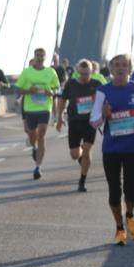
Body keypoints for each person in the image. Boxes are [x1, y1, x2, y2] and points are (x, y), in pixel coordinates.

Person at [89, 54, 134, 245]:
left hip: (133, 145)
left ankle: (130, 214)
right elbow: (94, 121)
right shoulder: (103, 91)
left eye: (124, 65)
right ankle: (119, 228)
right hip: (111, 148)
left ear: (130, 69)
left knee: (131, 188)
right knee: (114, 190)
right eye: (116, 65)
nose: (120, 68)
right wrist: (103, 115)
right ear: (110, 69)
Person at [15, 48, 61, 180]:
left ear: (45, 58)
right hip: (30, 109)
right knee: (32, 135)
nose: (40, 57)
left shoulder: (50, 72)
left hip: (45, 107)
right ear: (34, 57)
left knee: (41, 134)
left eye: (42, 55)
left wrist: (52, 92)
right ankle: (34, 147)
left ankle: (38, 167)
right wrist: (29, 90)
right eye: (37, 55)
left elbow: (57, 87)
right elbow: (18, 89)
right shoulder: (27, 72)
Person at [56, 59, 100, 192]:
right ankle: (81, 154)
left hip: (90, 122)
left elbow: (105, 100)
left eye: (87, 73)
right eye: (81, 73)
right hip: (74, 121)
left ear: (91, 72)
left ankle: (82, 181)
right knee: (75, 155)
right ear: (77, 72)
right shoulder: (71, 84)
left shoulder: (97, 84)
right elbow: (63, 100)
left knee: (87, 150)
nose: (84, 76)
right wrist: (59, 118)